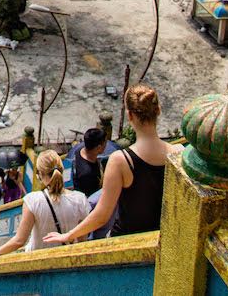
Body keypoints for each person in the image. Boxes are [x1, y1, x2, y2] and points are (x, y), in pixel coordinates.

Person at [44, 84, 171, 243]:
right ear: (158, 110)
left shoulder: (121, 160)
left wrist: (68, 235)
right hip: (160, 241)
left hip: (126, 242)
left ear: (130, 116)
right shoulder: (178, 152)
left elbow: (102, 215)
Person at [0, 150, 90, 257]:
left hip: (37, 261)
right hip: (66, 261)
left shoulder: (32, 200)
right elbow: (82, 240)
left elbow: (19, 241)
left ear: (39, 174)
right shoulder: (80, 199)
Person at [72, 127, 109, 198]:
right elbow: (92, 197)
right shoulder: (87, 174)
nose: (106, 146)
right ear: (98, 147)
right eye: (105, 143)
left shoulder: (79, 150)